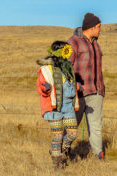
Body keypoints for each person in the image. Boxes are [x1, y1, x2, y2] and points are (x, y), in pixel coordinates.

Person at [37, 41, 80, 170]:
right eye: (65, 50)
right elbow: (40, 84)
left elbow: (71, 83)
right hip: (54, 106)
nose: (68, 53)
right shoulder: (46, 69)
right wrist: (45, 87)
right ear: (57, 52)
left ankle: (60, 149)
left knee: (73, 133)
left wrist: (78, 87)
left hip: (68, 105)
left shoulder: (68, 67)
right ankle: (57, 164)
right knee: (57, 136)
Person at [67, 13, 105, 160]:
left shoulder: (96, 43)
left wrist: (101, 89)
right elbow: (66, 67)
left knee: (96, 125)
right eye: (98, 27)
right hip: (78, 93)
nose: (100, 29)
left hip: (96, 92)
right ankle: (63, 152)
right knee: (71, 125)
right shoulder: (73, 42)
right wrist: (73, 86)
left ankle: (98, 155)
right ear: (91, 27)